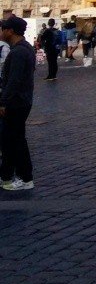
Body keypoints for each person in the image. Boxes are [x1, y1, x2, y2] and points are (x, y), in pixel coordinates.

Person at [0, 16, 36, 191]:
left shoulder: (18, 52)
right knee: (13, 140)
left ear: (10, 31)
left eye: (3, 29)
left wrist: (3, 102)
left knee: (14, 141)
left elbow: (14, 81)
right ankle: (13, 175)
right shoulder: (25, 48)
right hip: (21, 100)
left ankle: (23, 177)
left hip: (16, 102)